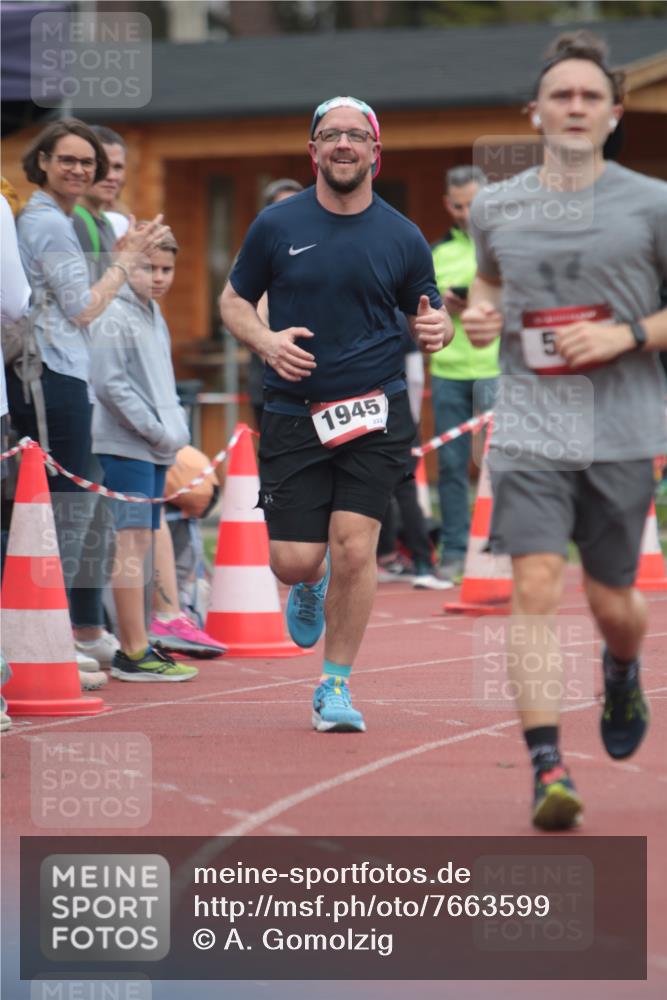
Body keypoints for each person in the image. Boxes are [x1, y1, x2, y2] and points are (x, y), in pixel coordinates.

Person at [462, 31, 667, 830]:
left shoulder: (651, 203)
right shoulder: (494, 205)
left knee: (613, 600)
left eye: (589, 97)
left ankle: (621, 666)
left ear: (613, 114)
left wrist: (625, 334)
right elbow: (488, 281)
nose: (575, 107)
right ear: (534, 113)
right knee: (536, 585)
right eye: (561, 95)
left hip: (621, 427)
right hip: (531, 425)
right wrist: (481, 315)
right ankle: (546, 763)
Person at [220, 96, 452, 732]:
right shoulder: (277, 224)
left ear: (375, 151)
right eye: (330, 135)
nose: (343, 144)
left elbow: (431, 314)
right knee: (294, 560)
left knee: (355, 548)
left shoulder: (402, 235)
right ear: (313, 150)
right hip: (294, 410)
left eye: (355, 135)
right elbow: (233, 301)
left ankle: (335, 684)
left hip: (375, 410)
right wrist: (266, 342)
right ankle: (309, 581)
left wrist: (440, 328)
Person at [7, 119, 167, 688]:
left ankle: (69, 631)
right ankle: (48, 637)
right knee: (63, 508)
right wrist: (126, 262)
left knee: (73, 504)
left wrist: (119, 258)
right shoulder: (48, 221)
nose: (79, 169)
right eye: (68, 159)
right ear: (42, 163)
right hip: (49, 373)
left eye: (88, 162)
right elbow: (81, 307)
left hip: (62, 371)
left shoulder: (58, 218)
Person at [90, 226, 198, 682]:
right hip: (127, 444)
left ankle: (139, 641)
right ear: (127, 266)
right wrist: (155, 430)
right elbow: (109, 384)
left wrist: (172, 431)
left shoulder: (153, 312)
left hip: (154, 446)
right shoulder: (114, 313)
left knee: (144, 541)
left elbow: (159, 384)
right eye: (147, 268)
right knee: (131, 544)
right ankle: (132, 650)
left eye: (166, 270)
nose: (158, 277)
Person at [430, 165, 499, 582]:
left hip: (497, 369)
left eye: (474, 204)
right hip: (449, 370)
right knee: (452, 467)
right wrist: (442, 302)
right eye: (458, 206)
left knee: (505, 465)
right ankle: (455, 551)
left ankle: (504, 547)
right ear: (447, 204)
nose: (466, 213)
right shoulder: (436, 252)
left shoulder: (505, 244)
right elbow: (419, 305)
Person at [247, 178, 304, 429]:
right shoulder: (258, 251)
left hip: (315, 381)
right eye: (282, 207)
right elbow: (251, 306)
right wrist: (273, 353)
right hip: (271, 379)